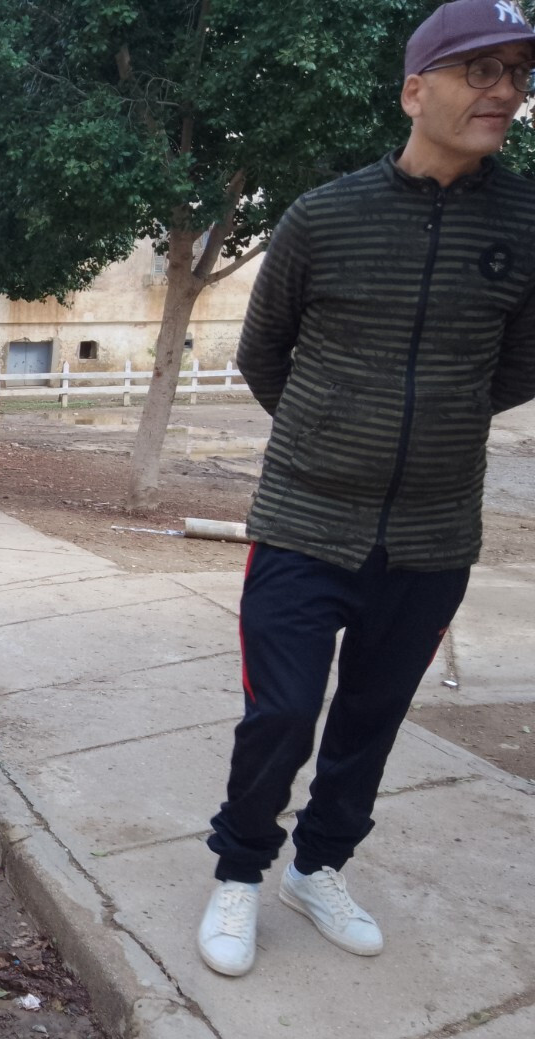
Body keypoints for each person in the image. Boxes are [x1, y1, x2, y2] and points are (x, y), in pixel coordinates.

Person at [197, 0, 535, 977]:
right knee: (280, 713)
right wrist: (332, 428)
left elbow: (515, 365)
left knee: (369, 720)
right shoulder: (325, 216)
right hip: (304, 521)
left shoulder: (524, 219)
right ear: (415, 89)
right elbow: (265, 354)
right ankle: (238, 873)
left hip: (433, 537)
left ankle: (319, 868)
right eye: (481, 70)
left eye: (516, 72)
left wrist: (434, 419)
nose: (505, 91)